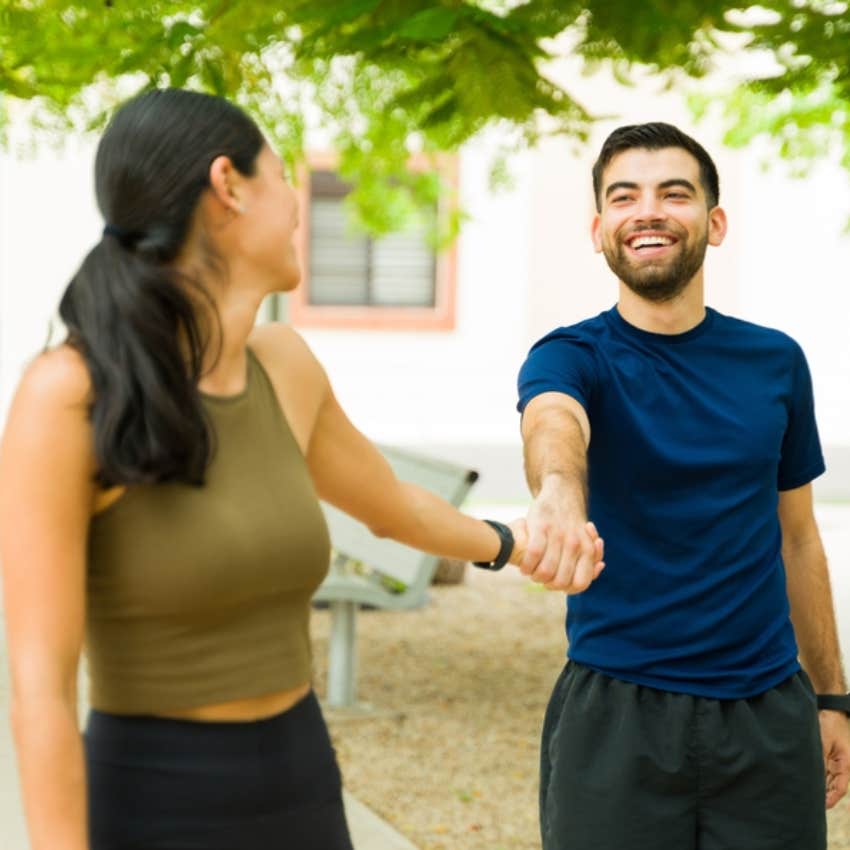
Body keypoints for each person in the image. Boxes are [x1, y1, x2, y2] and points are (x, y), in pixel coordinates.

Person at [0, 87, 569, 850]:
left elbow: (392, 505)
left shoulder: (283, 365)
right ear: (228, 185)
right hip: (151, 800)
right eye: (280, 173)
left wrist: (512, 543)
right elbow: (41, 683)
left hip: (298, 784)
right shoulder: (68, 394)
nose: (299, 201)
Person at [516, 122, 850, 850]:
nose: (649, 211)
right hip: (615, 714)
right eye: (624, 196)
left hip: (767, 713)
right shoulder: (571, 355)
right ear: (599, 228)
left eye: (675, 192)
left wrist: (833, 696)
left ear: (714, 222)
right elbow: (554, 424)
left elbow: (798, 537)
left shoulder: (776, 362)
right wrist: (559, 497)